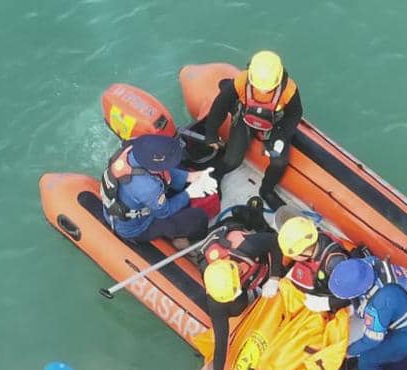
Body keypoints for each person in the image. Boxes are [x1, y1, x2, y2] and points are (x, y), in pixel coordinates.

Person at [203, 51, 303, 210]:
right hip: (245, 120)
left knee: (280, 162)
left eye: (268, 88)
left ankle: (267, 190)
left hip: (274, 125)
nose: (263, 90)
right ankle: (216, 175)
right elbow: (220, 106)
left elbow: (295, 114)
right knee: (232, 160)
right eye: (259, 87)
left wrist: (281, 136)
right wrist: (211, 134)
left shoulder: (289, 89)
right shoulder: (241, 81)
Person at [201, 229, 284, 370]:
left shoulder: (247, 248)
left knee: (279, 276)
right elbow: (222, 338)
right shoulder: (216, 296)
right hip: (245, 281)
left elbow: (273, 241)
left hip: (258, 263)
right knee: (236, 307)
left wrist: (275, 277)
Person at [101, 133, 218, 245]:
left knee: (179, 168)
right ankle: (186, 242)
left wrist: (192, 176)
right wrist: (189, 193)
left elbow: (162, 170)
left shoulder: (133, 150)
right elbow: (164, 212)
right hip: (138, 226)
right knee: (199, 218)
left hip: (130, 201)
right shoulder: (148, 188)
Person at [277, 216, 351, 313]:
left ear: (305, 251)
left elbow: (352, 294)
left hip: (329, 297)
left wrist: (327, 304)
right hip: (313, 289)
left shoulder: (334, 263)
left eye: (294, 255)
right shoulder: (315, 238)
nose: (292, 258)